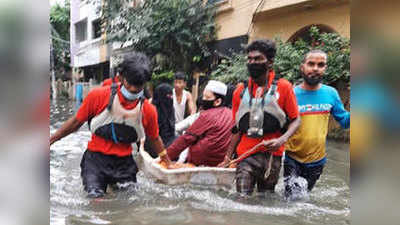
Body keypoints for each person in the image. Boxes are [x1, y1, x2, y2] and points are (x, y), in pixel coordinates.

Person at [49, 52, 172, 198]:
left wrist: (167, 161)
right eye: (129, 83)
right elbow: (75, 122)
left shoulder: (148, 110)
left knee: (129, 202)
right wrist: (50, 140)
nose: (133, 89)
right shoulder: (98, 96)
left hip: (125, 164)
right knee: (95, 200)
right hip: (95, 161)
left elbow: (154, 138)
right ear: (121, 78)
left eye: (138, 86)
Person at [218, 39, 301, 196]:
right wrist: (228, 157)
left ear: (269, 63)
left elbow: (296, 120)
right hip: (245, 156)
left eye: (257, 59)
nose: (252, 62)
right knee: (242, 198)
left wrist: (282, 140)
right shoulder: (240, 91)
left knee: (266, 199)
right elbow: (236, 128)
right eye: (250, 59)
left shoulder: (284, 87)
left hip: (272, 158)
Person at [284, 50, 350, 197]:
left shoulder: (331, 93)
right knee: (292, 199)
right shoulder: (291, 94)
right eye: (311, 64)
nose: (315, 68)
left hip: (317, 161)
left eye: (320, 65)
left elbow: (345, 122)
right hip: (292, 158)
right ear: (302, 67)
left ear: (325, 69)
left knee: (303, 199)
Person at [167, 80, 234, 167]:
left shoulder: (206, 115)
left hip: (201, 160)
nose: (203, 100)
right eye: (204, 97)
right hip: (222, 160)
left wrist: (165, 156)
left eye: (207, 98)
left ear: (218, 101)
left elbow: (186, 139)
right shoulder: (231, 114)